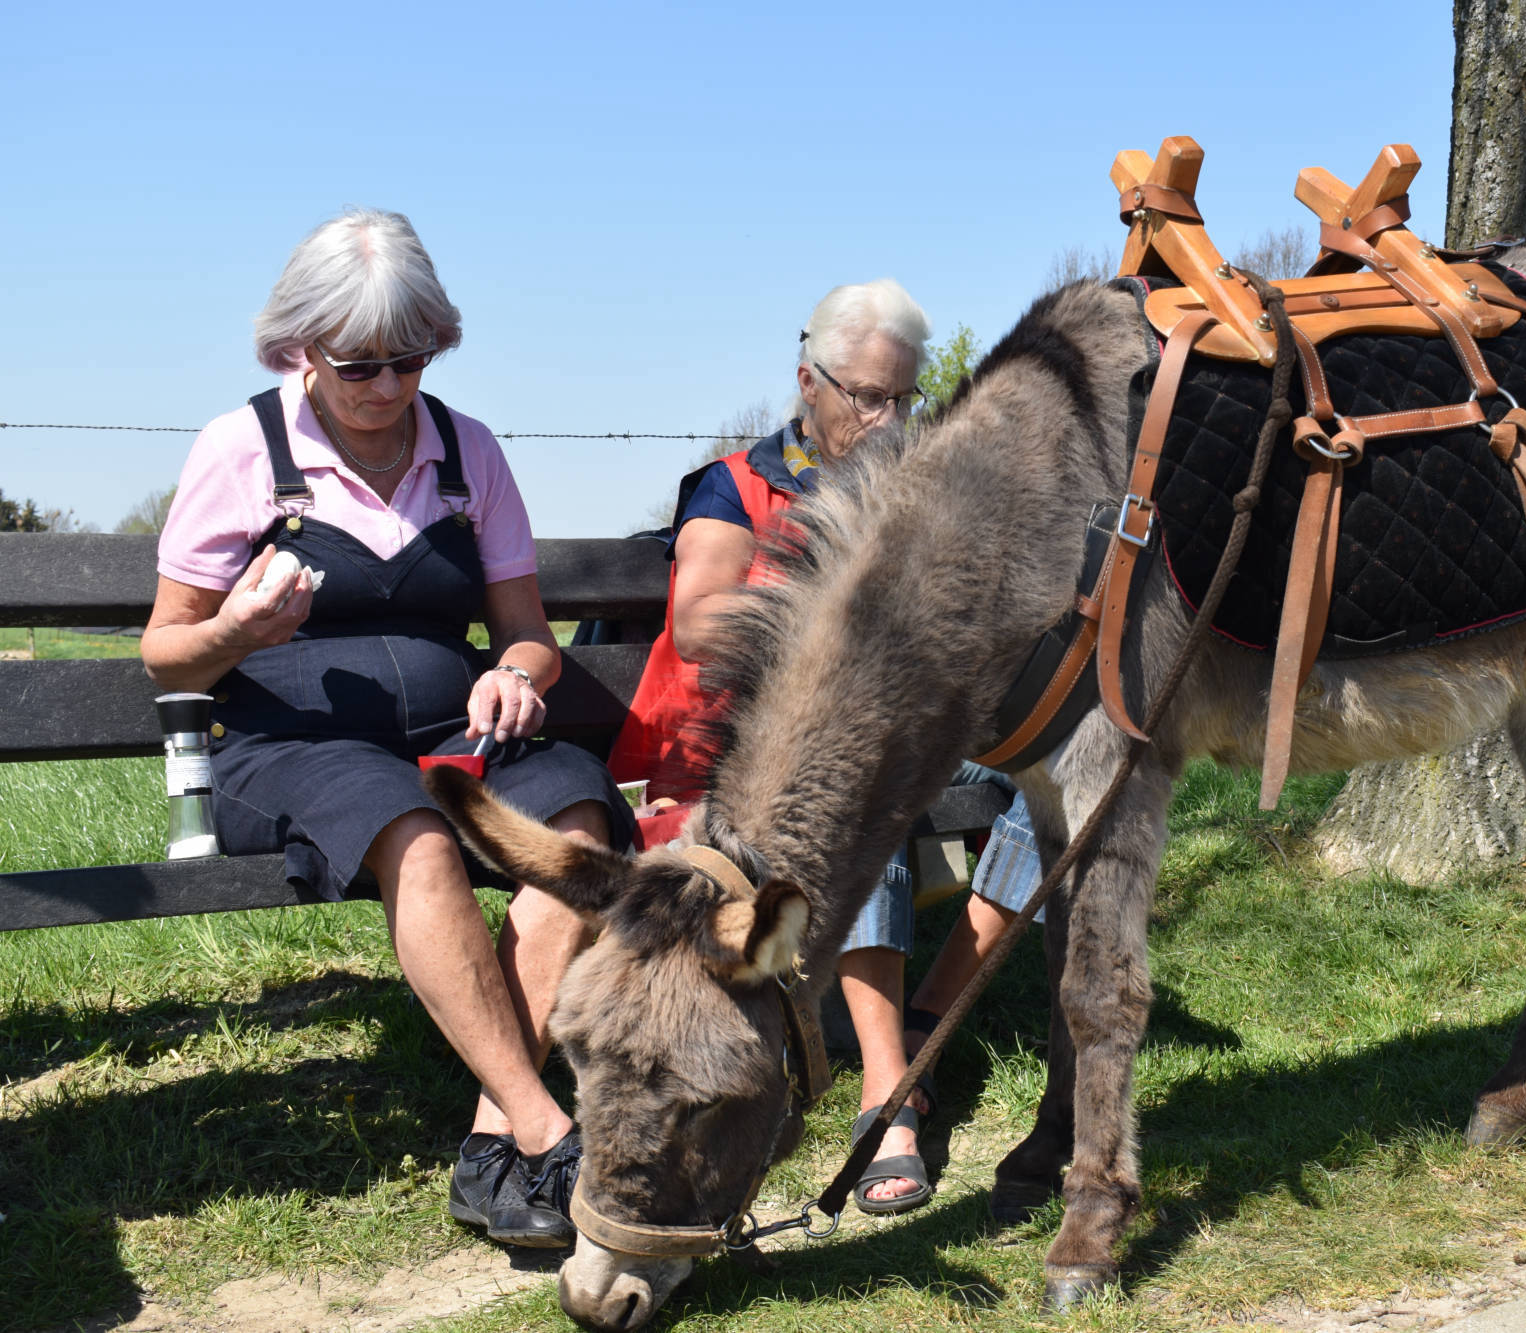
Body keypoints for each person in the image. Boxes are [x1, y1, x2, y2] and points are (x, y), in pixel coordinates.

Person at [141, 209, 636, 1250]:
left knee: (579, 820)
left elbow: (529, 633)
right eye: (358, 364)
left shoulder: (468, 452)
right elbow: (164, 651)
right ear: (301, 347)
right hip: (289, 746)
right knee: (412, 830)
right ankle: (549, 1129)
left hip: (458, 732)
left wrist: (514, 671)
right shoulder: (241, 450)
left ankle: (492, 1138)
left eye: (408, 361)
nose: (386, 387)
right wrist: (236, 625)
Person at [607, 278, 1042, 1215]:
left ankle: (929, 1009)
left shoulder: (916, 493)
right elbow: (693, 623)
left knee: (1054, 784)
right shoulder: (739, 484)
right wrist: (834, 614)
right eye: (868, 397)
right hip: (745, 765)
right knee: (856, 804)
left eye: (906, 398)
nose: (888, 421)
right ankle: (888, 1098)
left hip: (910, 735)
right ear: (810, 381)